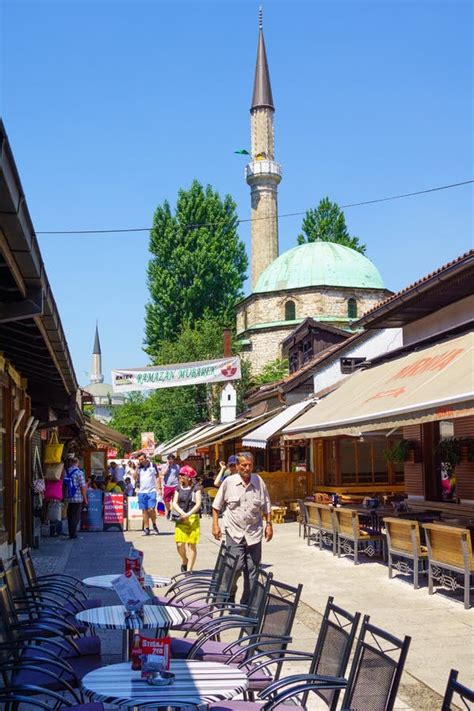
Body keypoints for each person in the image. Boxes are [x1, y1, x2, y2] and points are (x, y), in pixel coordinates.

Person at [212, 452, 272, 605]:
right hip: (234, 531)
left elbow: (266, 505)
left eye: (250, 465)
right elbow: (216, 506)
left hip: (254, 532)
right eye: (244, 465)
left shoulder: (259, 481)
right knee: (235, 566)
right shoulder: (229, 482)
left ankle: (247, 603)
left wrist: (269, 525)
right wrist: (215, 525)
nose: (247, 468)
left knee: (252, 570)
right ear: (237, 466)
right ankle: (229, 593)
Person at [171, 465, 202, 572]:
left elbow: (198, 504)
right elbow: (174, 502)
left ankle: (189, 570)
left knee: (192, 545)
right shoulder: (178, 488)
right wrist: (182, 513)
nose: (180, 477)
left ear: (189, 477)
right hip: (181, 518)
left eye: (182, 475)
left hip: (193, 518)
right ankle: (184, 560)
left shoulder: (196, 488)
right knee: (179, 544)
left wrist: (188, 514)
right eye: (180, 475)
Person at [63, 457, 88, 540]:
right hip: (77, 498)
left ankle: (71, 533)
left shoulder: (66, 472)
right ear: (77, 463)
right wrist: (85, 498)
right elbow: (82, 487)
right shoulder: (79, 473)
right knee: (76, 516)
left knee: (70, 515)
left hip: (68, 497)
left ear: (71, 463)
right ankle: (73, 534)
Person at [137, 451, 160, 536]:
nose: (140, 461)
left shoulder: (152, 465)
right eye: (139, 460)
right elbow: (136, 478)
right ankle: (146, 528)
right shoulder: (139, 467)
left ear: (146, 458)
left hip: (151, 491)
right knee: (144, 510)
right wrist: (136, 469)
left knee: (151, 509)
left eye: (142, 459)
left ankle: (154, 524)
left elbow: (157, 477)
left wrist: (159, 488)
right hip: (142, 491)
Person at [160, 453, 180, 519]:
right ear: (167, 459)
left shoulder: (177, 466)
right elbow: (162, 474)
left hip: (175, 485)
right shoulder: (164, 465)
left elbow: (178, 475)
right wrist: (168, 467)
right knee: (166, 500)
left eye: (172, 459)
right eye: (169, 459)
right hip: (167, 485)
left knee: (175, 500)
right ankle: (169, 510)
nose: (171, 460)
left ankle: (174, 513)